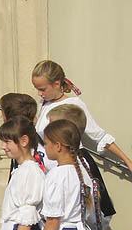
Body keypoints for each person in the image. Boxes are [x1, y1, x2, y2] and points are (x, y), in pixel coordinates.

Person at [32, 59, 131, 198]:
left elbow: (98, 135)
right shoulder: (43, 103)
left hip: (69, 165)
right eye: (37, 89)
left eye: (42, 89)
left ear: (57, 84)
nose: (39, 94)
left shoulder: (73, 104)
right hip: (48, 166)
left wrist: (127, 161)